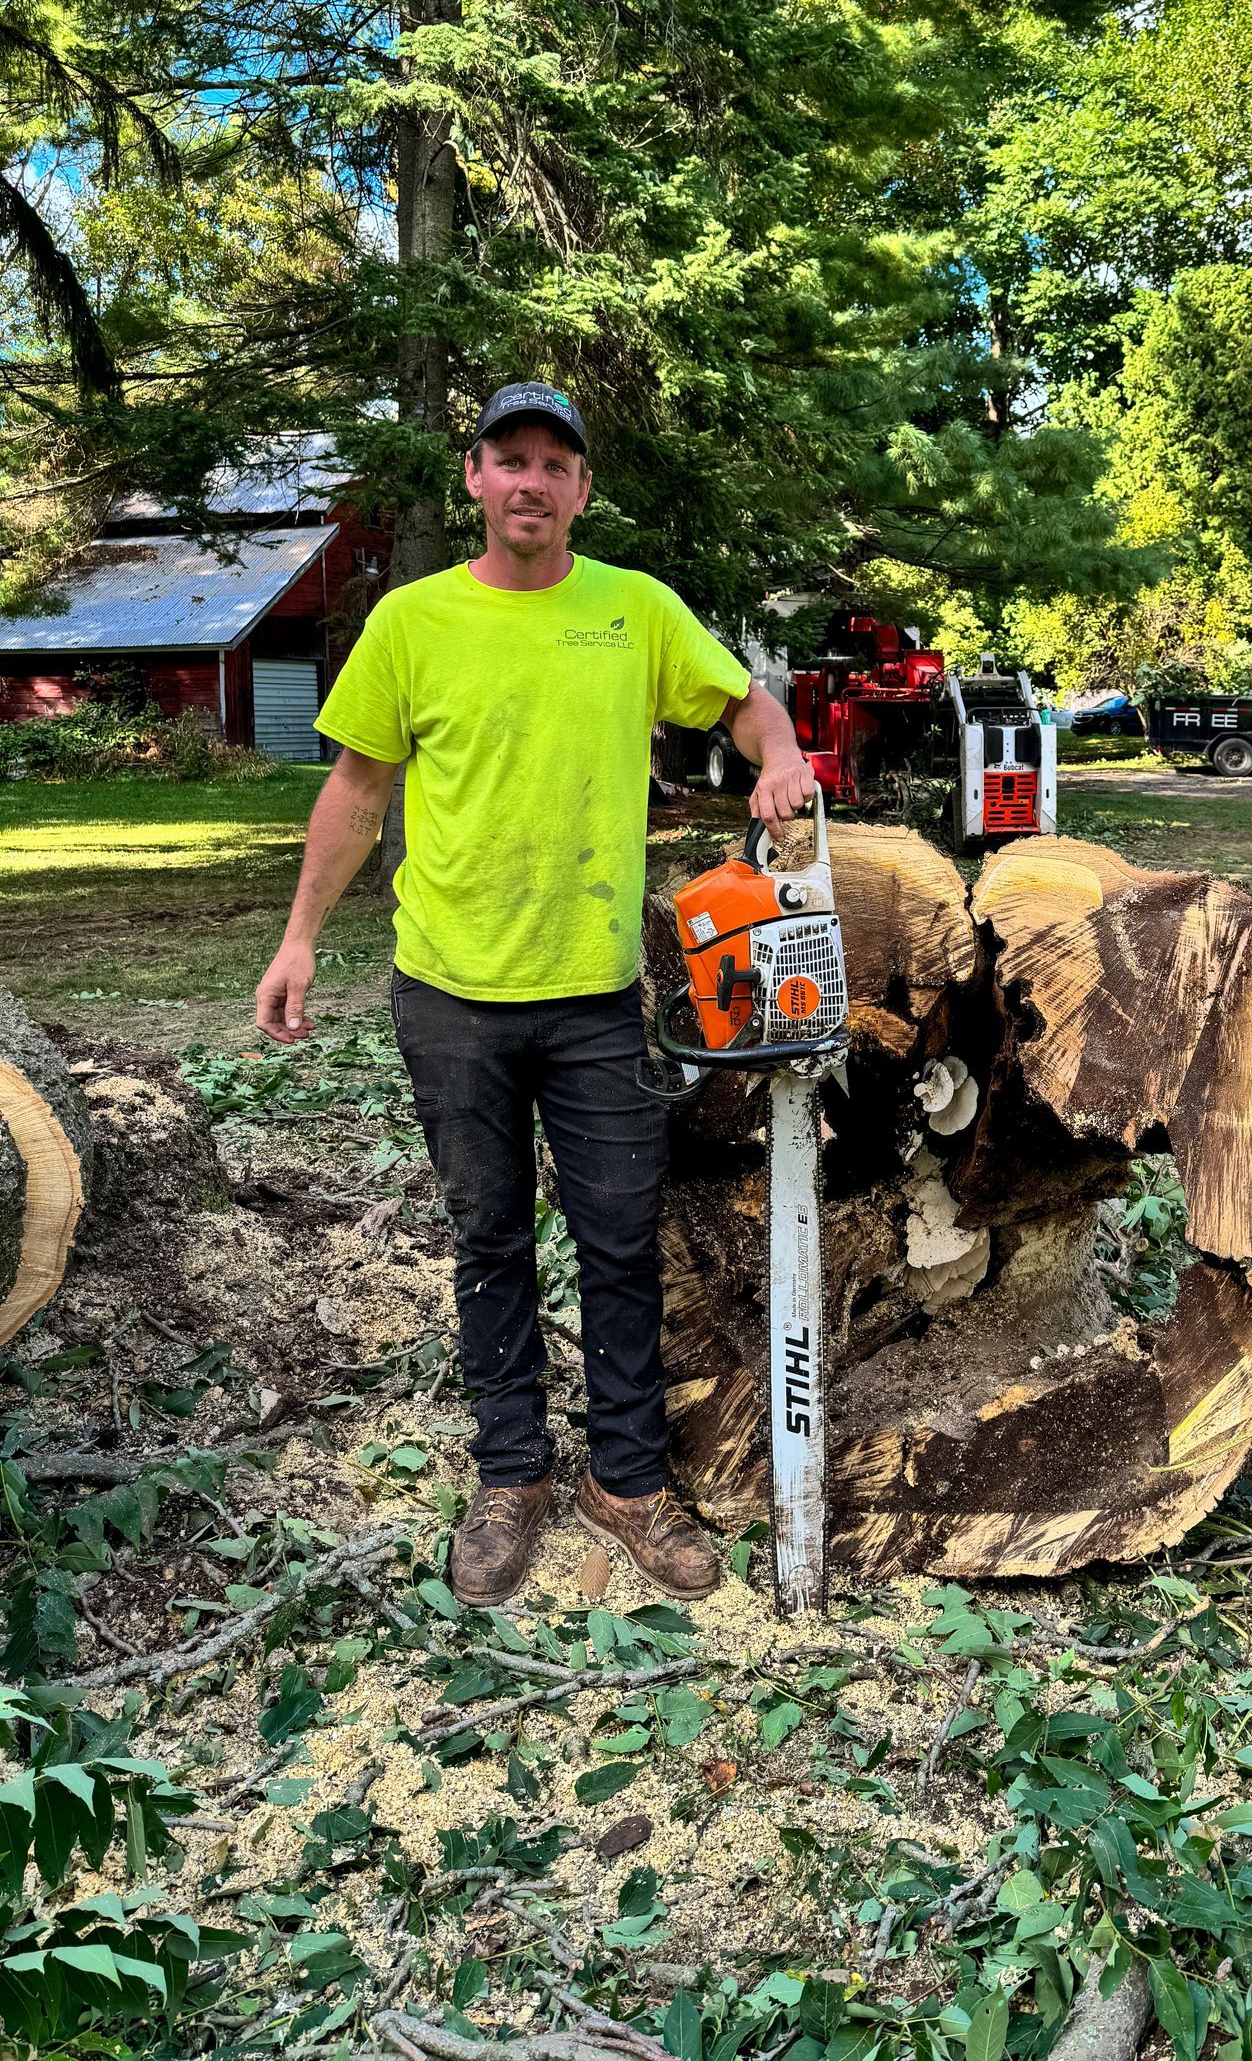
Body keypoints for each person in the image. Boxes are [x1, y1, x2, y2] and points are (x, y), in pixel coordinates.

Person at [253, 383, 815, 1606]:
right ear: (474, 477)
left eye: (554, 464)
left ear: (580, 490)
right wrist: (298, 940)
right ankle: (511, 1470)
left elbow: (744, 701)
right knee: (491, 1237)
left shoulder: (634, 610)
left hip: (595, 998)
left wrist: (779, 753)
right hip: (449, 995)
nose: (531, 481)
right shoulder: (412, 621)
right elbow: (356, 791)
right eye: (509, 458)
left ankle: (628, 1479)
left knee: (619, 1240)